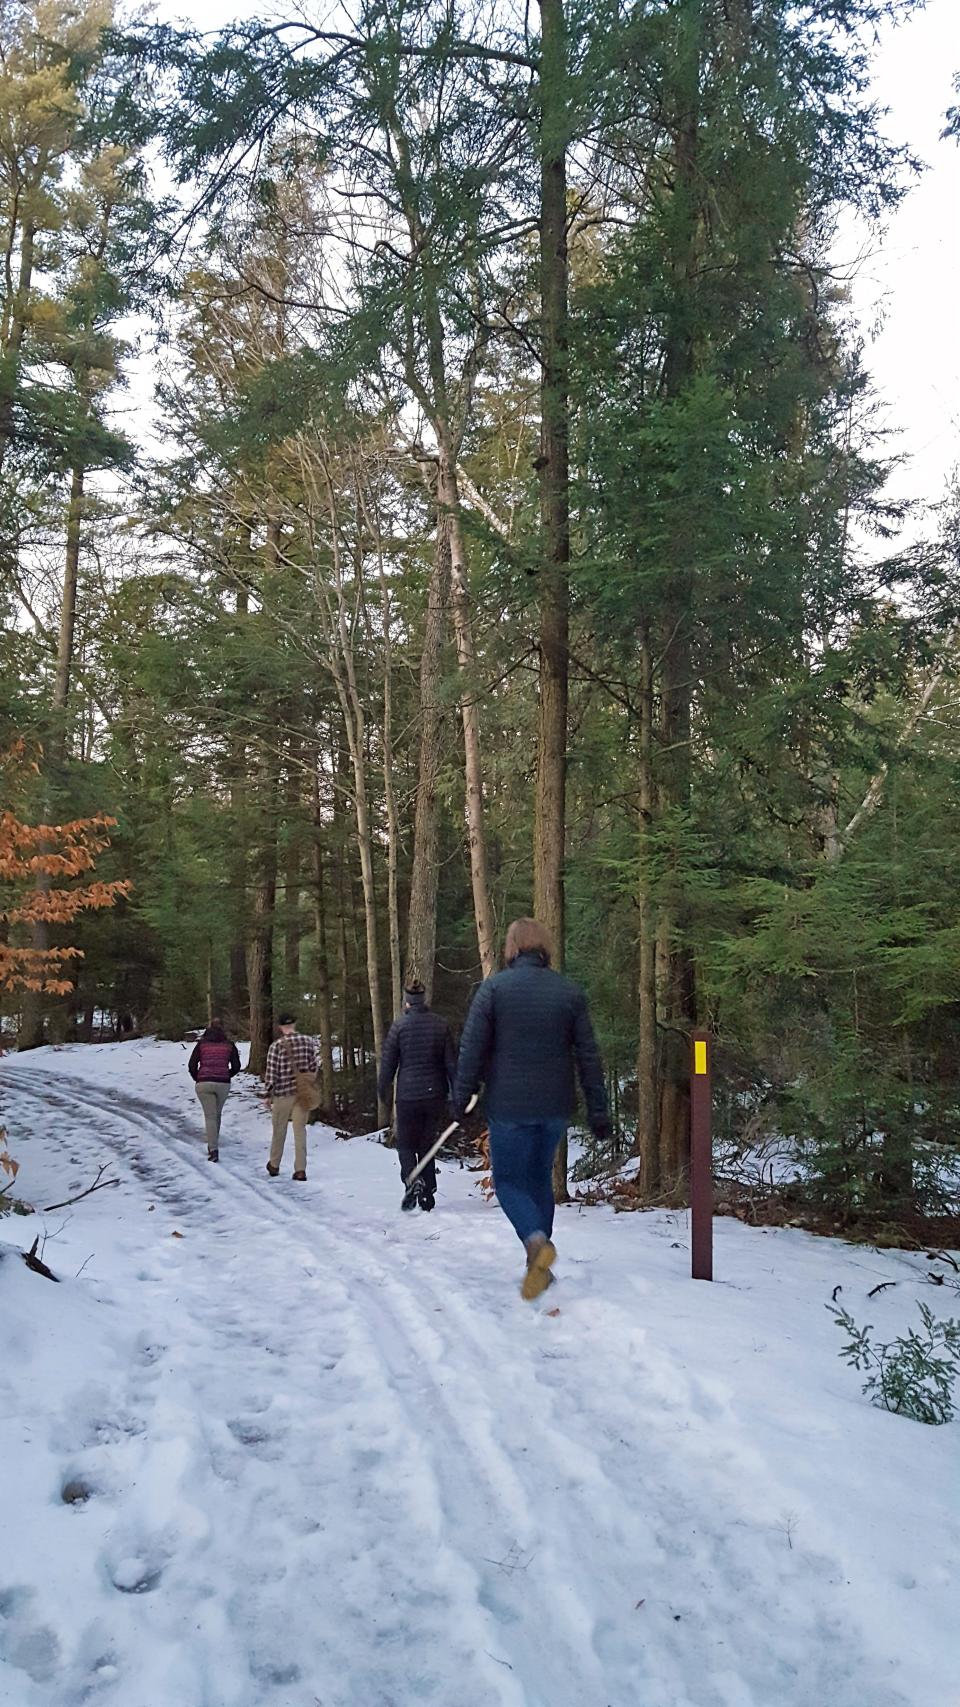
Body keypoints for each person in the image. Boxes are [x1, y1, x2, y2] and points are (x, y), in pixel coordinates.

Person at [454, 918, 610, 1298]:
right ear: (544, 947)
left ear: (511, 948)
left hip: (509, 1106)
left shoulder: (493, 991)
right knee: (539, 1179)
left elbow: (471, 1050)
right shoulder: (568, 993)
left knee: (508, 1182)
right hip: (555, 1107)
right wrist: (598, 1110)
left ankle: (536, 1244)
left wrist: (461, 1099)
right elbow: (588, 1056)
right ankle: (536, 1267)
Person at [378, 980, 457, 1211]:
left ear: (406, 1002)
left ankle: (412, 1180)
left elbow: (389, 1063)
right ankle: (428, 1191)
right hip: (435, 1094)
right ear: (424, 999)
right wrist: (456, 1095)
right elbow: (451, 1064)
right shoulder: (440, 1025)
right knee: (426, 1143)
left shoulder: (399, 1027)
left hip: (408, 1094)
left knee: (405, 1143)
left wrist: (382, 1090)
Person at [263, 1013, 319, 1181]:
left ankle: (274, 1164)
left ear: (280, 1027)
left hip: (283, 1094)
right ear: (295, 1024)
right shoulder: (308, 1042)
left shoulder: (277, 1046)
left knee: (279, 1130)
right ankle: (300, 1169)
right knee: (300, 1131)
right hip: (302, 1094)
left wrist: (268, 1094)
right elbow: (313, 1067)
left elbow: (272, 1073)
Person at [188, 1021, 242, 1161]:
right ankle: (214, 1143)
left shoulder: (201, 1045)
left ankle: (213, 1149)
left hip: (204, 1083)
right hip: (223, 1084)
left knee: (210, 1116)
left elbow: (192, 1064)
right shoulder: (229, 1045)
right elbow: (236, 1066)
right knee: (216, 1114)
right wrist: (226, 1075)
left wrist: (198, 1077)